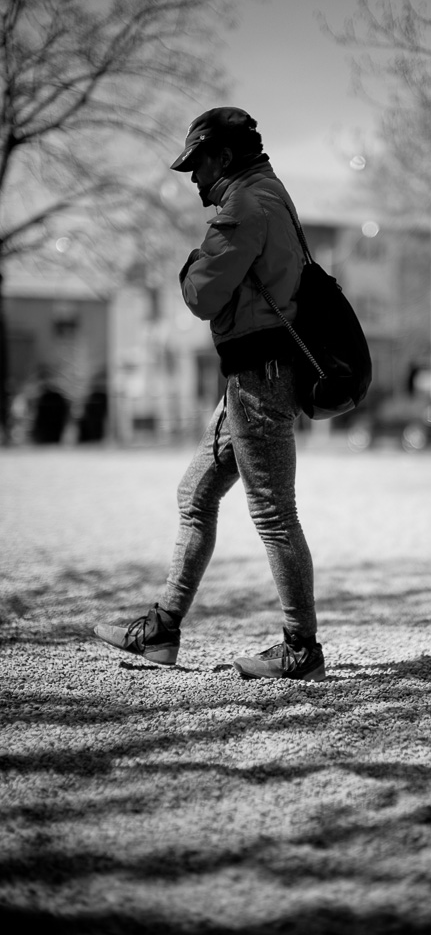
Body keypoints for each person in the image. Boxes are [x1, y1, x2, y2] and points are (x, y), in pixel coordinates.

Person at [93, 107, 325, 682]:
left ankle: (301, 648)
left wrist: (192, 262)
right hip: (251, 374)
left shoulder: (244, 206)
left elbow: (200, 295)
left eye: (198, 164)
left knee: (273, 513)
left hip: (259, 375)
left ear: (224, 156)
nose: (194, 178)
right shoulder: (270, 193)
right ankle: (162, 630)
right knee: (194, 492)